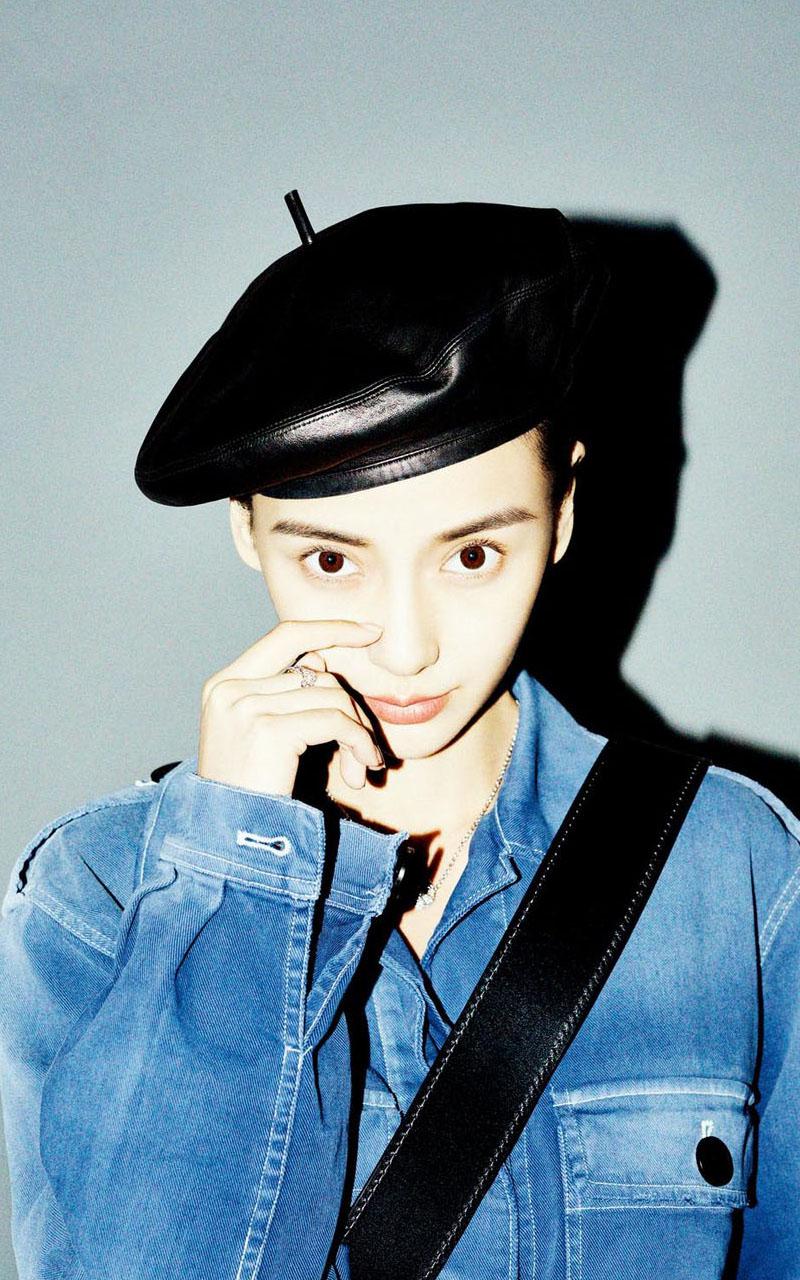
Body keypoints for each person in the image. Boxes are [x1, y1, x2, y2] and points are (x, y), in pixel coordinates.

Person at [0, 197, 797, 1280]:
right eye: (332, 560)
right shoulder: (96, 894)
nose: (409, 646)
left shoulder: (733, 868)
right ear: (248, 528)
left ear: (562, 509)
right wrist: (238, 884)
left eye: (472, 555)